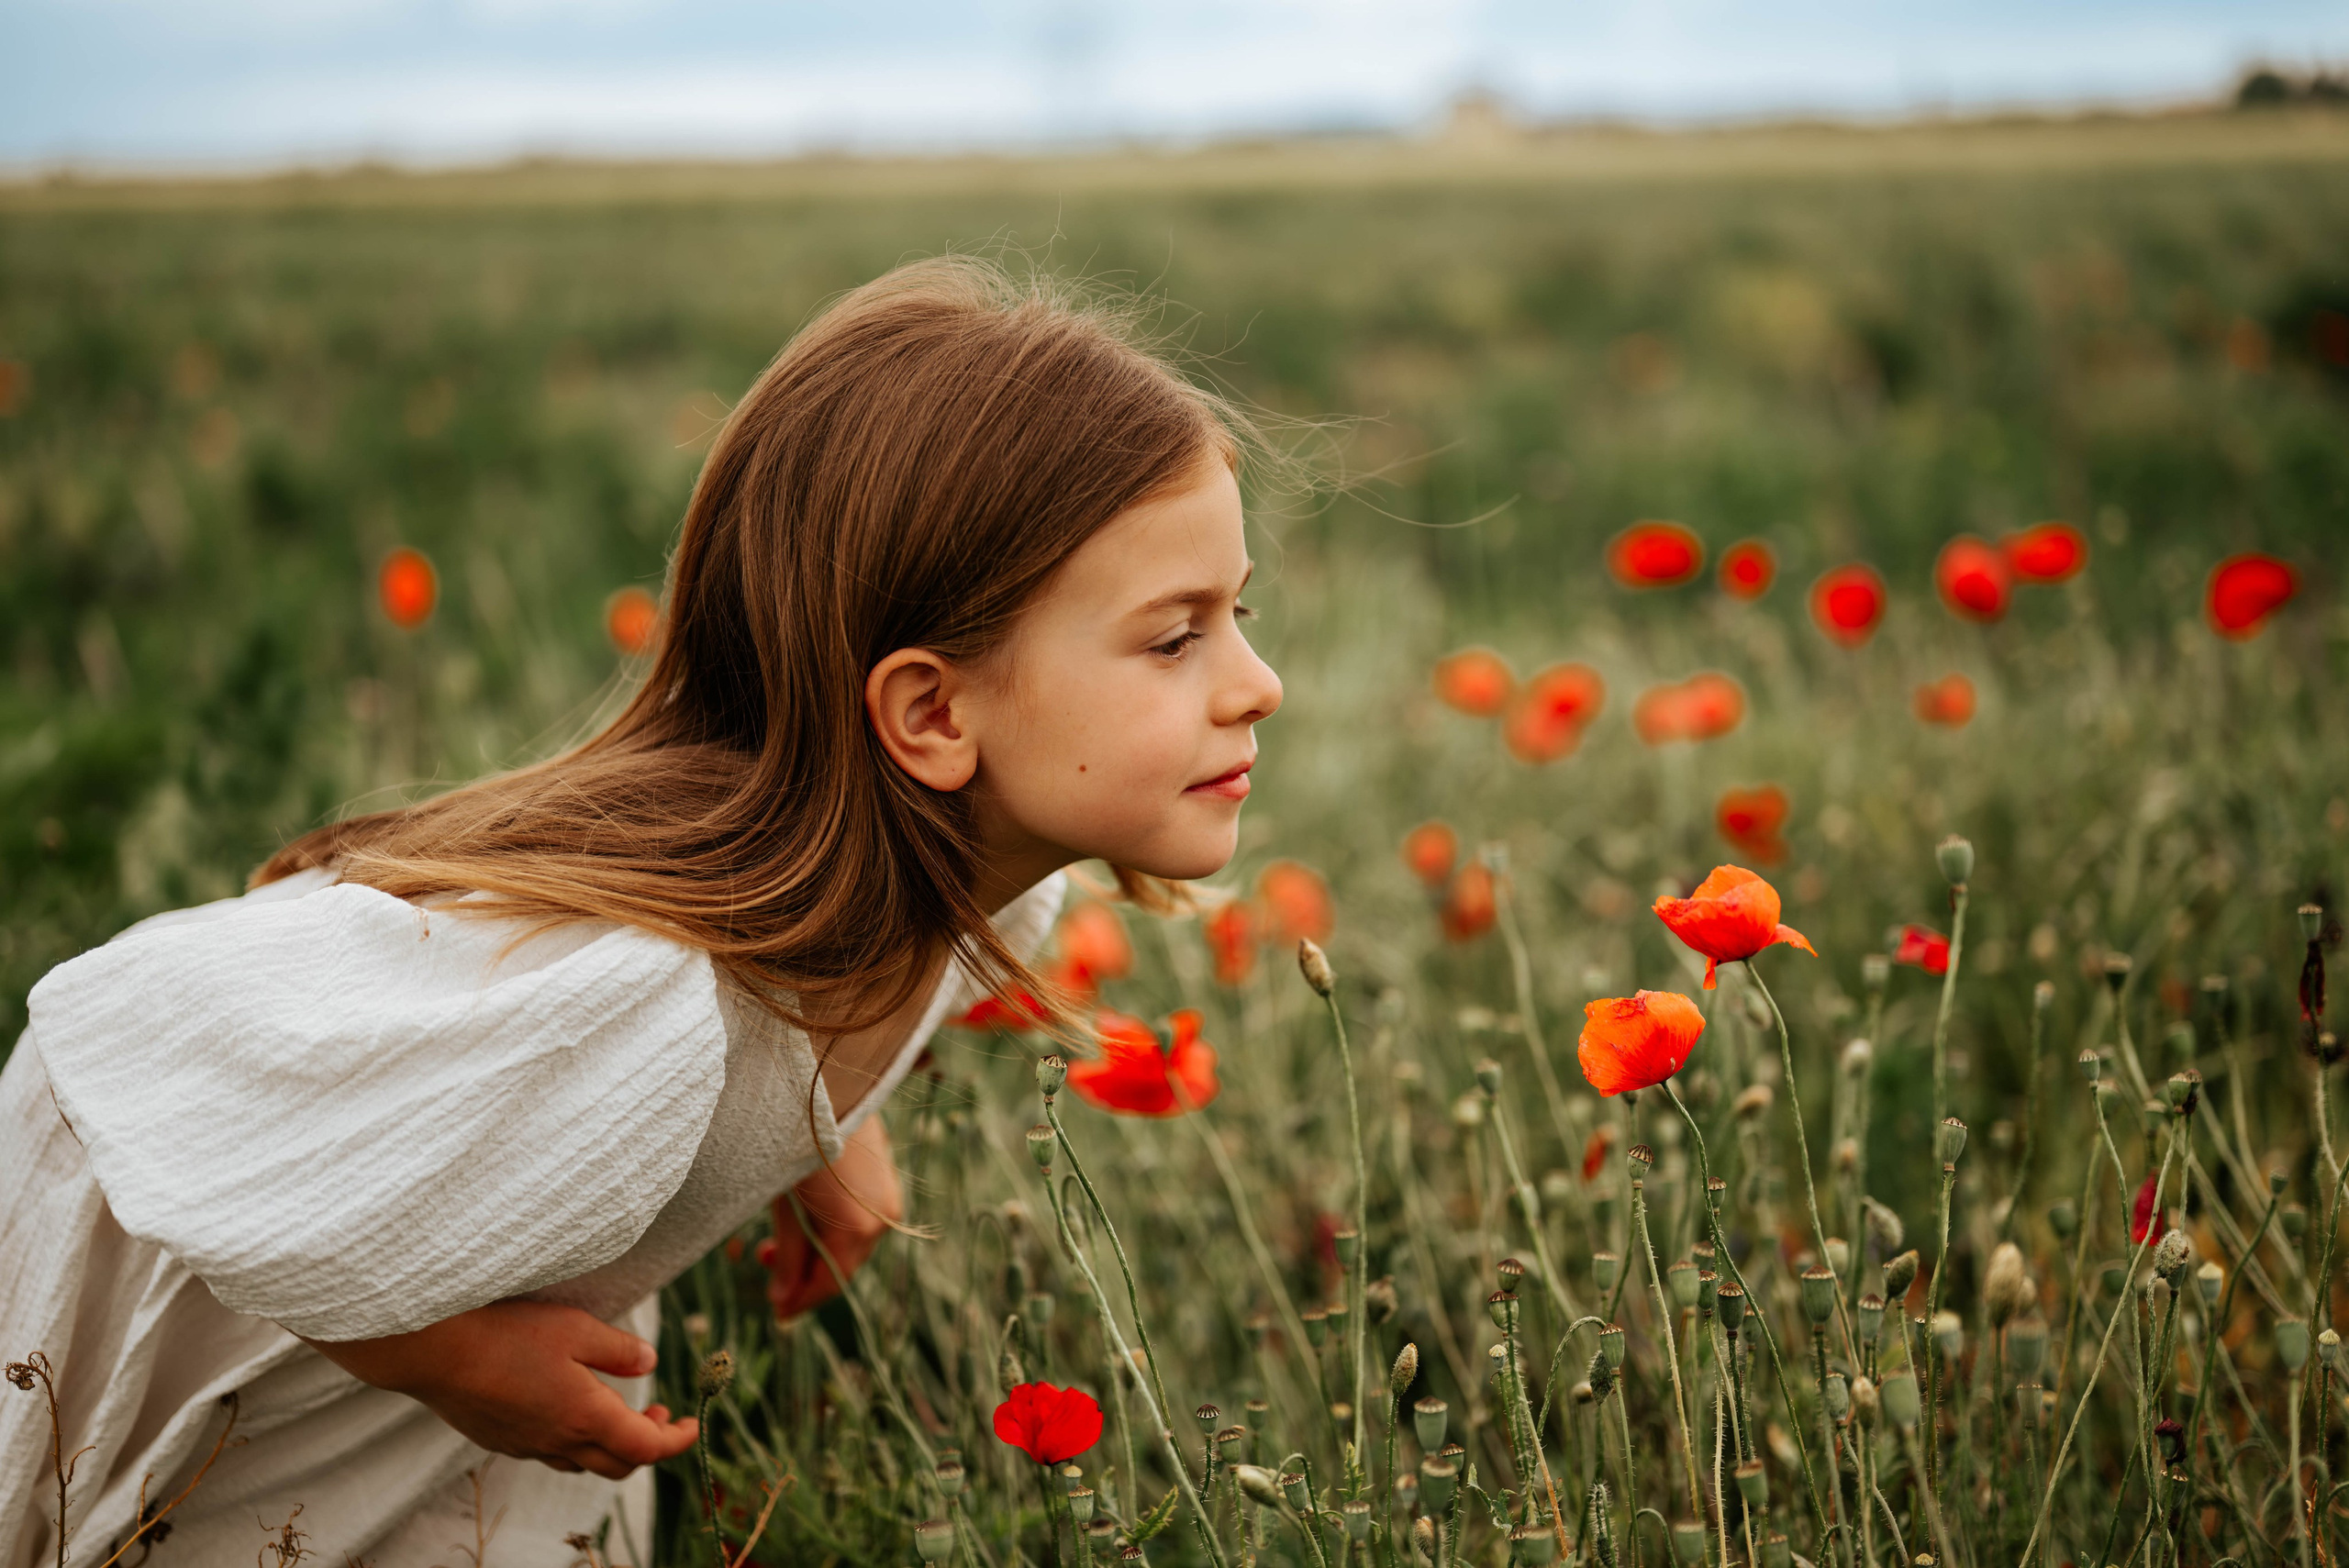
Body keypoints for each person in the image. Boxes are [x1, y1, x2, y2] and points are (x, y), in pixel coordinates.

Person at [0, 257, 1282, 1564]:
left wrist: (833, 1123)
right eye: (1175, 637)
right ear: (932, 714)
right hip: (205, 1301)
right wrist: (436, 1350)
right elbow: (120, 1033)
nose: (1261, 683)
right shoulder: (644, 998)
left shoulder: (954, 896)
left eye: (1239, 611)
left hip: (400, 1387)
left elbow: (837, 1007)